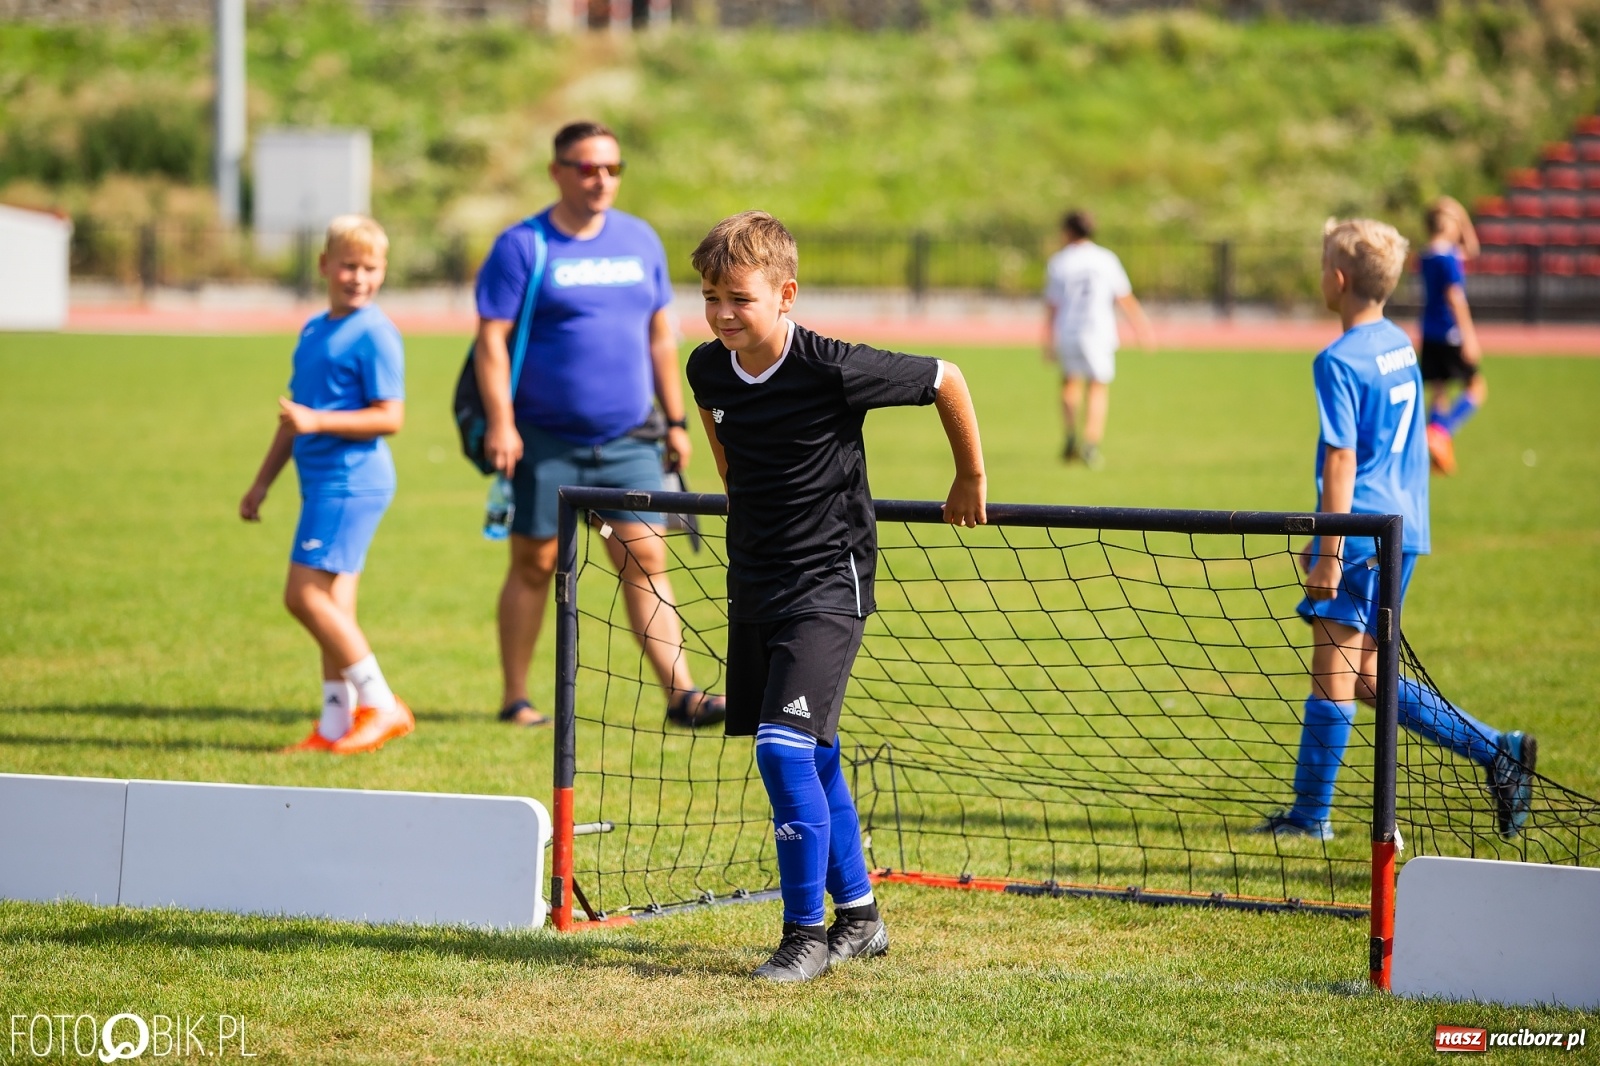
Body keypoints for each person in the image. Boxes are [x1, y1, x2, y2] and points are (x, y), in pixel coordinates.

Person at [687, 211, 988, 982]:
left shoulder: (831, 366)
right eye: (711, 296)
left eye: (740, 299)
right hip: (753, 581)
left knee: (781, 750)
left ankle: (805, 937)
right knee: (814, 751)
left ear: (786, 294)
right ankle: (861, 919)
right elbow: (726, 451)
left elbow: (945, 377)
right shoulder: (707, 368)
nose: (723, 313)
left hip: (829, 581)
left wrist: (970, 478)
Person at [1254, 218, 1535, 842]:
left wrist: (1329, 548)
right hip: (1403, 529)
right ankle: (1499, 750)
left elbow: (1342, 458)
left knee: (1333, 672)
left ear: (1337, 278)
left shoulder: (1337, 359)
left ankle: (1309, 818)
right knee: (1371, 679)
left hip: (1361, 533)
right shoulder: (1397, 344)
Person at [472, 120, 723, 730]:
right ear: (557, 170)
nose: (601, 179)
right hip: (545, 440)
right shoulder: (522, 245)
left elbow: (662, 337)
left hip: (630, 439)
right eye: (587, 168)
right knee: (534, 563)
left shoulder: (640, 241)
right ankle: (516, 699)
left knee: (644, 558)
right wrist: (501, 423)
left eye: (612, 168)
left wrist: (675, 419)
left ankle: (682, 695)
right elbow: (491, 342)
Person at [240, 215, 413, 756]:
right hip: (320, 482)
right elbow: (296, 417)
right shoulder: (314, 329)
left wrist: (318, 423)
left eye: (370, 268)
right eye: (347, 265)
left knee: (303, 596)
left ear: (383, 272)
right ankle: (334, 725)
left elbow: (390, 417)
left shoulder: (377, 333)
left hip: (351, 482)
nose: (358, 277)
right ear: (323, 265)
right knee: (335, 606)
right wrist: (262, 482)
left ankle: (382, 704)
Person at [1041, 209, 1153, 469]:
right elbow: (1123, 297)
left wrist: (1047, 339)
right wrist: (1142, 328)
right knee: (1097, 387)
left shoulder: (1060, 261)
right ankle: (1090, 443)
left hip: (1068, 329)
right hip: (1098, 331)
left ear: (1068, 231)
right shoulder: (1106, 259)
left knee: (1069, 383)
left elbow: (1052, 305)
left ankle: (1070, 434)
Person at [1417, 196, 1485, 476]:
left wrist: (1458, 215)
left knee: (1439, 392)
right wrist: (1469, 336)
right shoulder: (1448, 259)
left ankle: (1436, 443)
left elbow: (1471, 250)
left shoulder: (1426, 255)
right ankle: (1440, 433)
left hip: (1429, 332)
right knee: (1477, 389)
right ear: (1446, 225)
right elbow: (1455, 298)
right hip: (1450, 333)